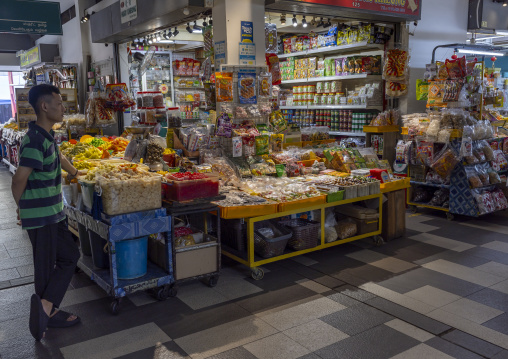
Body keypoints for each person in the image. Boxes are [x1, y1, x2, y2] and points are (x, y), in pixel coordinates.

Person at [11, 84, 82, 341]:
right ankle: (46, 310)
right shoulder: (34, 139)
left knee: (68, 256)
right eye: (59, 102)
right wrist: (22, 207)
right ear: (45, 106)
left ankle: (47, 307)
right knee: (49, 264)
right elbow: (18, 179)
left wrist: (76, 173)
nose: (63, 107)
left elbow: (59, 157)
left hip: (53, 212)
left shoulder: (46, 135)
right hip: (42, 216)